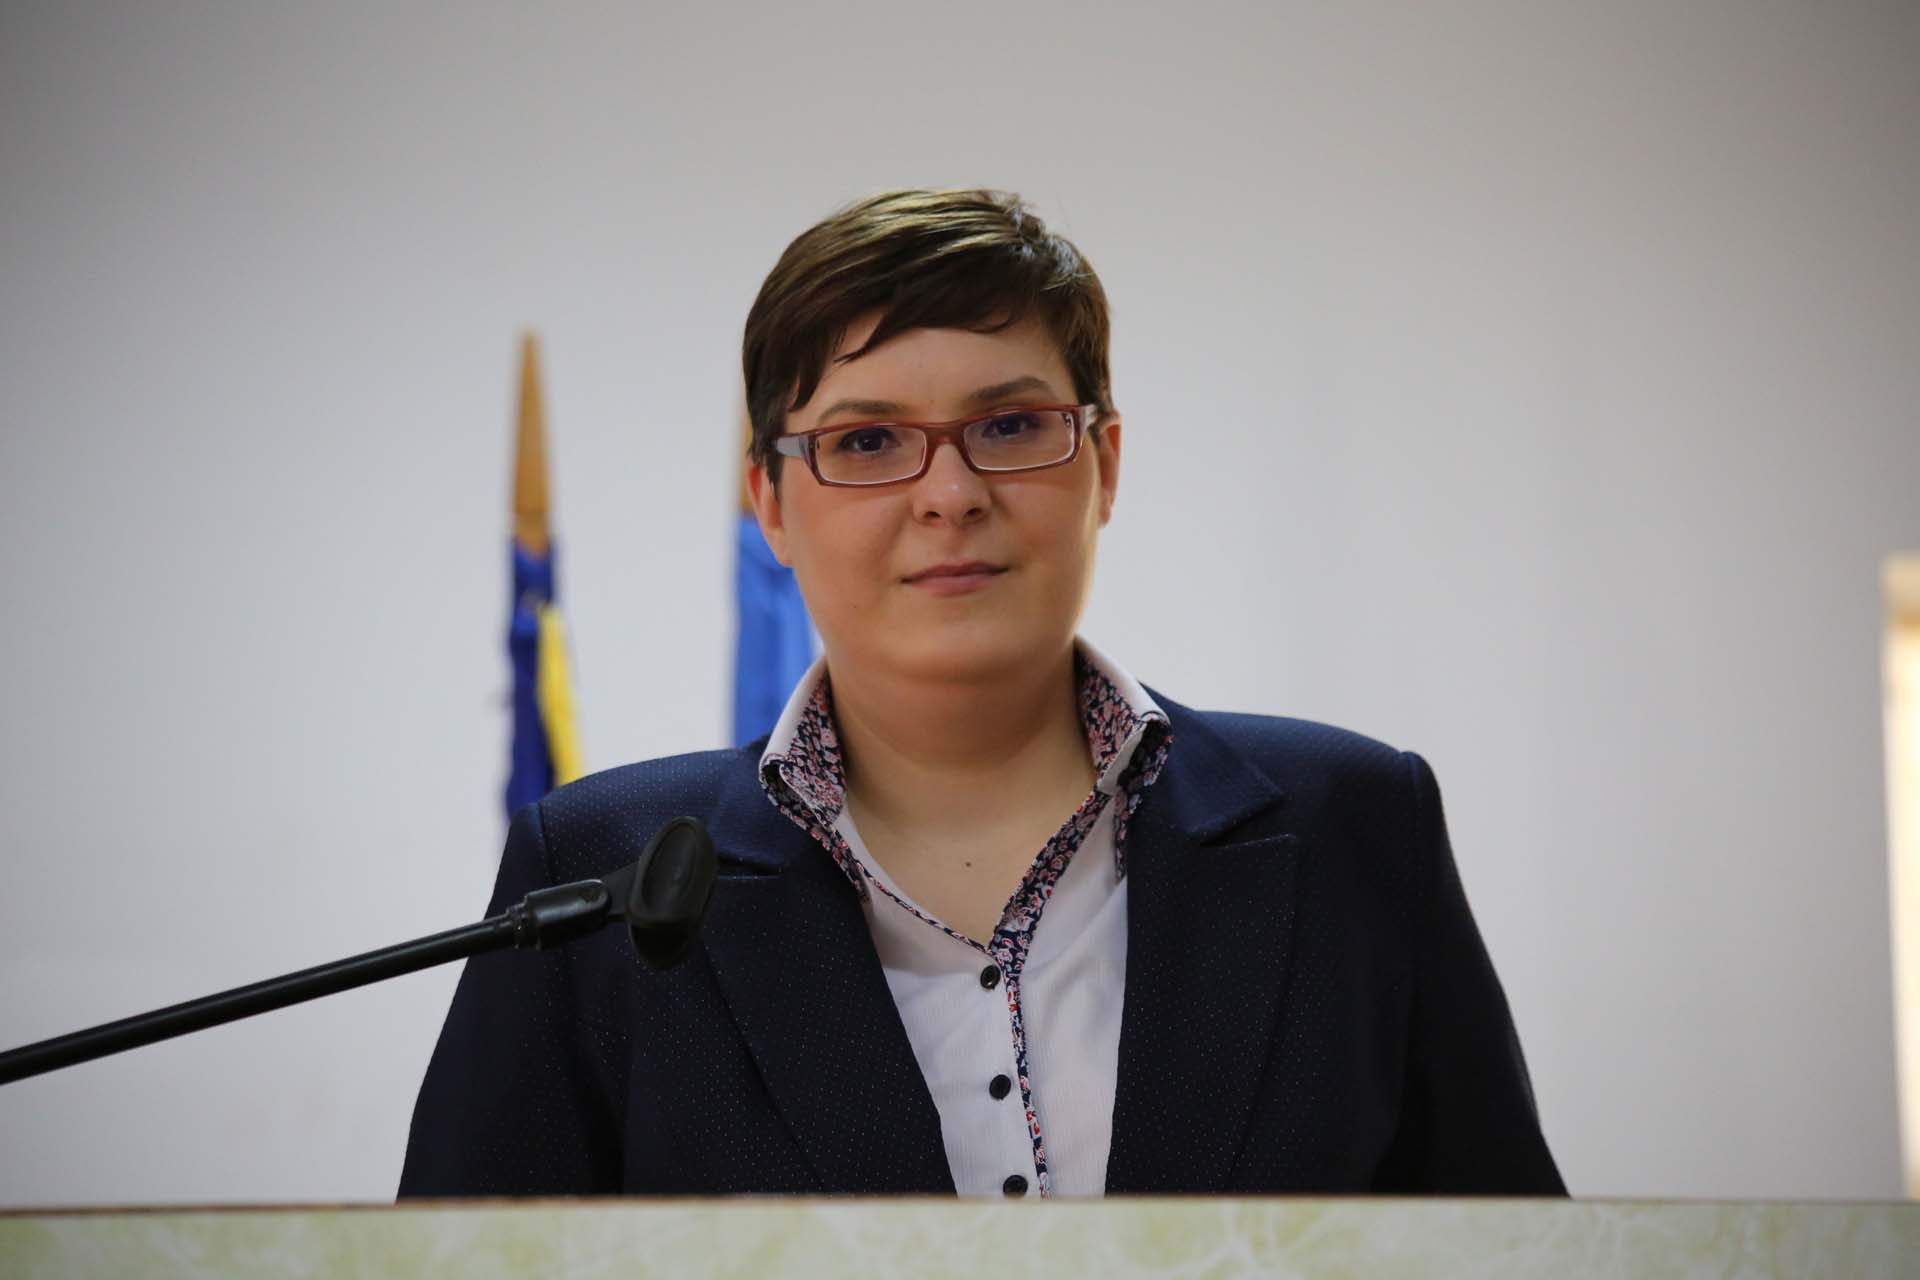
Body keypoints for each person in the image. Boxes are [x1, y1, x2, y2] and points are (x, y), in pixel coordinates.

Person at [399, 189, 1566, 1198]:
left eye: (1010, 425)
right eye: (866, 441)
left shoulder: (1353, 826)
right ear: (770, 504)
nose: (949, 492)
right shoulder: (598, 872)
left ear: (1106, 464)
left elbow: (1516, 1253)